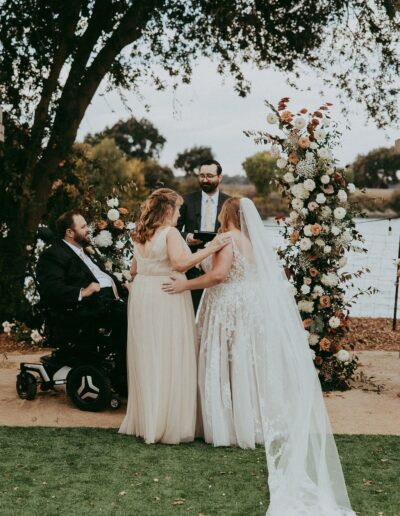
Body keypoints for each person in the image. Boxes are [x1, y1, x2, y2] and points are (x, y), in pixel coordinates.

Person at [162, 198, 355, 515]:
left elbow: (219, 275)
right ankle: (250, 417)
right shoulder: (251, 241)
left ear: (228, 215)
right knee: (245, 364)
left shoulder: (228, 239)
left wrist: (186, 285)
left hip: (228, 306)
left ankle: (230, 424)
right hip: (249, 305)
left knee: (226, 362)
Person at [118, 188, 230, 444]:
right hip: (166, 294)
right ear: (167, 210)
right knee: (169, 352)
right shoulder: (170, 233)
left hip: (144, 293)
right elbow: (180, 264)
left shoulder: (139, 233)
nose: (180, 214)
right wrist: (211, 247)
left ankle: (148, 420)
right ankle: (168, 423)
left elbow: (134, 269)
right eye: (178, 209)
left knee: (149, 354)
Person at [36, 209, 128, 346]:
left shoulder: (84, 251)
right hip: (85, 311)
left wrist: (124, 287)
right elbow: (50, 289)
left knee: (144, 305)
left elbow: (102, 277)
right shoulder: (53, 255)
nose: (88, 230)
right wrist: (82, 292)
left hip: (110, 303)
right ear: (69, 232)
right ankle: (126, 365)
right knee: (130, 314)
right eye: (83, 227)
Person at [176, 159, 230, 312]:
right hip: (191, 263)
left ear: (219, 177)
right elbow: (173, 229)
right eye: (201, 175)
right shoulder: (186, 200)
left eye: (210, 176)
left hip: (219, 261)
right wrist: (187, 237)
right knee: (191, 309)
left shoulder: (229, 202)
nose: (205, 179)